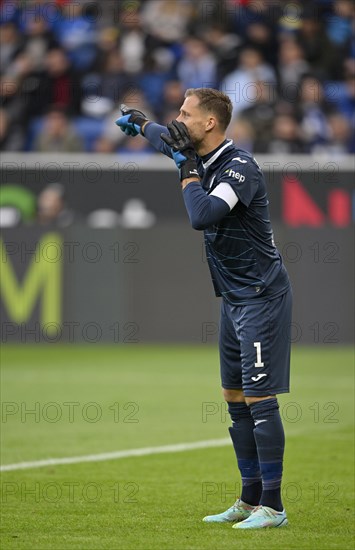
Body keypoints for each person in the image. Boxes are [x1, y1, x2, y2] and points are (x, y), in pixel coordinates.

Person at [115, 88, 292, 530]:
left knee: (259, 397)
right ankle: (249, 500)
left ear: (209, 123)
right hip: (234, 297)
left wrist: (187, 171)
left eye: (186, 113)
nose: (179, 119)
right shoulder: (198, 151)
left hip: (260, 295)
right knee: (233, 396)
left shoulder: (239, 167)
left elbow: (204, 214)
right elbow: (168, 139)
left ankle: (274, 506)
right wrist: (140, 123)